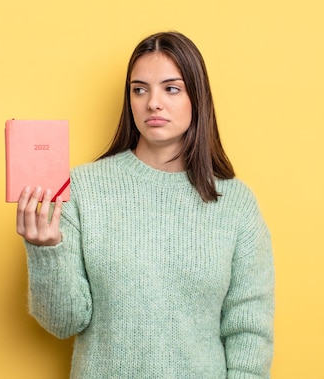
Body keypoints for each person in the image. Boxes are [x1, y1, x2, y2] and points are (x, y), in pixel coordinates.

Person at [16, 31, 275, 378]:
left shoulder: (236, 203)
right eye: (139, 89)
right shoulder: (82, 188)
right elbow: (65, 322)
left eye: (171, 88)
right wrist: (45, 250)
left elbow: (250, 330)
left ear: (197, 98)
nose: (153, 102)